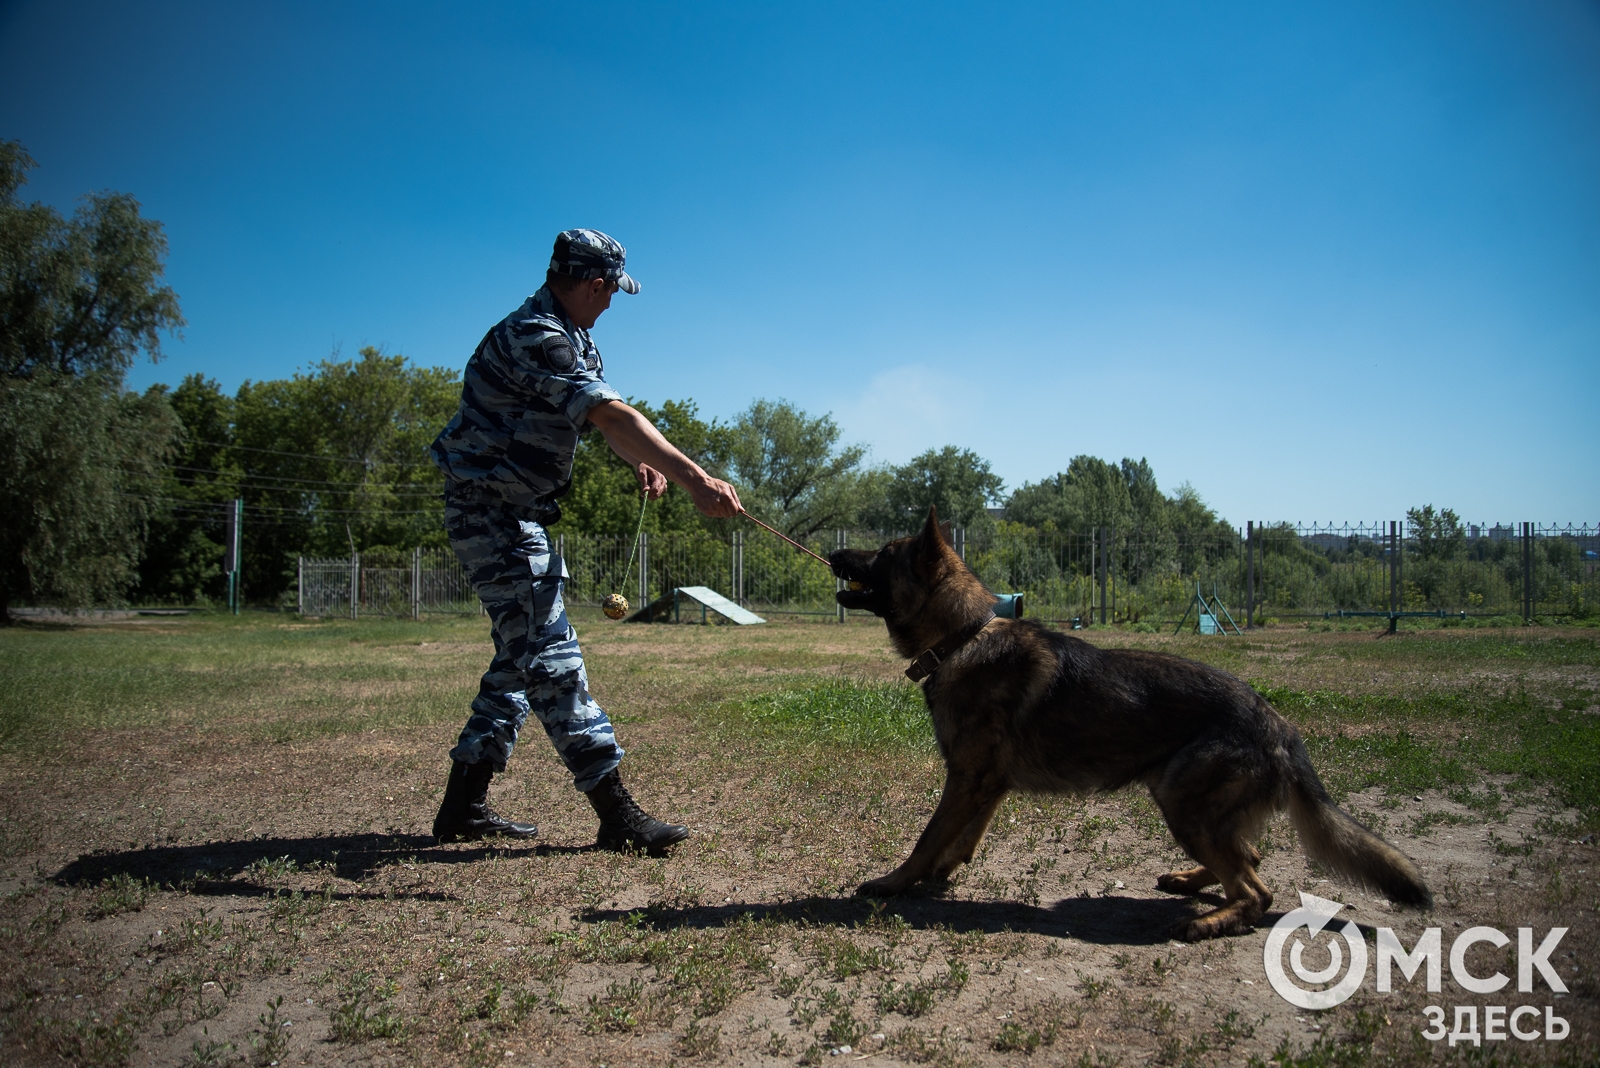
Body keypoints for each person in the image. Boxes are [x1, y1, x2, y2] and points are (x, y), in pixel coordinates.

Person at [427, 228, 742, 852]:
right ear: (595, 284)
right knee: (550, 655)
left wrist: (638, 463)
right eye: (611, 293)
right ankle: (616, 812)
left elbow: (601, 418)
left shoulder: (575, 337)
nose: (611, 304)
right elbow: (611, 415)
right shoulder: (536, 335)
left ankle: (463, 803)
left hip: (515, 513)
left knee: (518, 661)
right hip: (492, 512)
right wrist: (697, 479)